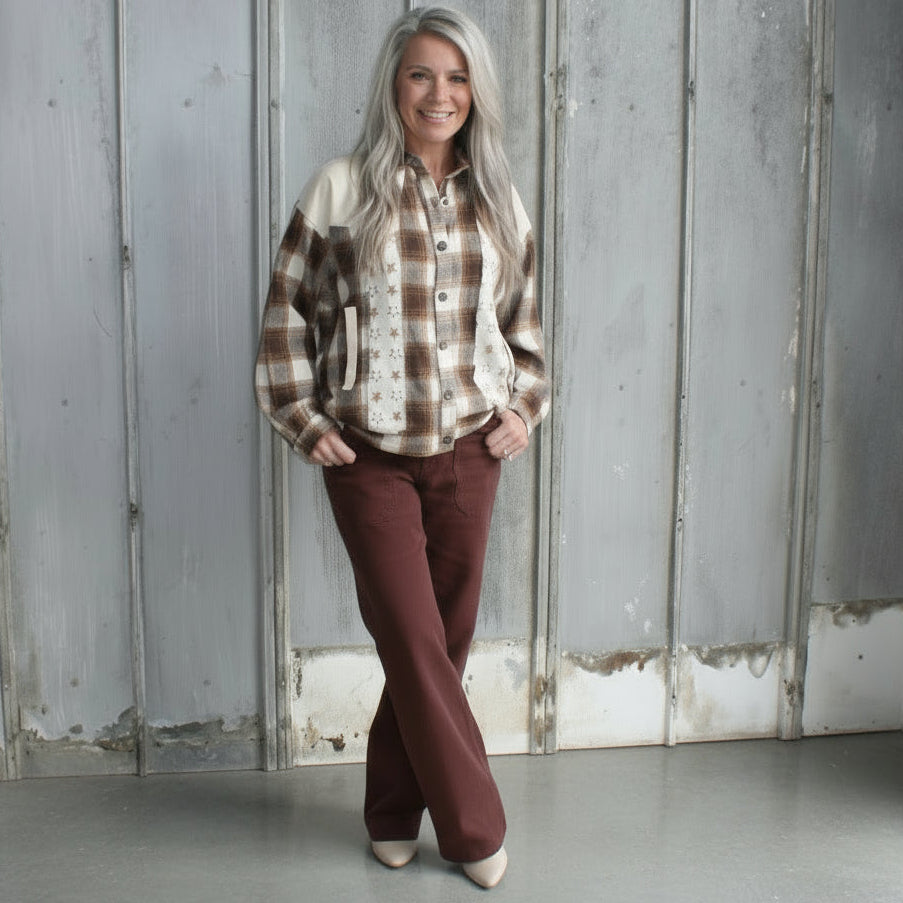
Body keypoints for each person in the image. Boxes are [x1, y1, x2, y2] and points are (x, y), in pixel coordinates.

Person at [255, 6, 549, 889]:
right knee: (416, 639)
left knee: (439, 646)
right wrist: (307, 423)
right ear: (393, 83)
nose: (439, 93)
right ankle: (473, 829)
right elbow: (285, 322)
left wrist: (522, 409)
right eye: (421, 74)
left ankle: (389, 810)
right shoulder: (340, 188)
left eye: (456, 77)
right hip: (369, 456)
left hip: (469, 452)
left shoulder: (497, 196)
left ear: (476, 93)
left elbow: (525, 332)